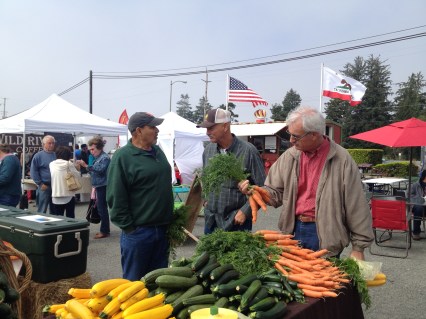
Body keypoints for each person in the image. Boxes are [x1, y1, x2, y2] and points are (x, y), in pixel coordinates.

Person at [239, 106, 373, 260]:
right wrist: (256, 191)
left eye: (296, 136)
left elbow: (355, 204)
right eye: (290, 134)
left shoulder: (342, 159)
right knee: (291, 280)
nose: (290, 141)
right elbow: (275, 193)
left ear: (315, 135)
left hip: (325, 233)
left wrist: (359, 247)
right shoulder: (289, 156)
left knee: (323, 281)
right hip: (293, 229)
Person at [107, 112, 173, 280]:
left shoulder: (157, 151)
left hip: (162, 229)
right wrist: (130, 228)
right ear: (138, 131)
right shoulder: (123, 157)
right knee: (134, 284)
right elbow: (115, 197)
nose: (157, 130)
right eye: (152, 127)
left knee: (159, 283)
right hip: (139, 232)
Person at [196, 108, 266, 234]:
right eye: (206, 129)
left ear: (225, 126)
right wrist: (206, 200)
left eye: (211, 128)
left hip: (236, 222)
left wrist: (245, 211)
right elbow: (205, 179)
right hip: (211, 221)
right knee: (210, 254)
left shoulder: (248, 151)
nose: (207, 132)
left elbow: (262, 188)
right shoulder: (208, 150)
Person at [78, 137, 111, 239]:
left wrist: (86, 165)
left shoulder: (104, 157)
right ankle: (104, 230)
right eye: (90, 150)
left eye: (93, 149)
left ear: (100, 148)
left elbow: (100, 170)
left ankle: (104, 231)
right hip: (98, 185)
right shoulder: (99, 157)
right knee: (100, 208)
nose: (91, 152)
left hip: (102, 186)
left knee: (102, 209)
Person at [49, 146, 82, 218]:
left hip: (56, 194)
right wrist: (77, 167)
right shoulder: (69, 164)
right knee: (70, 218)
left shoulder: (51, 164)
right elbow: (78, 176)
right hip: (68, 194)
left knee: (58, 218)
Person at [30, 135, 56, 213]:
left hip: (55, 186)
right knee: (42, 208)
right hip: (44, 186)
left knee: (54, 209)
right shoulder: (38, 156)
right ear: (43, 144)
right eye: (49, 143)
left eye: (53, 143)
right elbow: (33, 171)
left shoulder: (56, 155)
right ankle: (39, 224)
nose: (51, 145)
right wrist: (40, 183)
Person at [409, 170, 426, 240]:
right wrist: (419, 199)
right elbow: (409, 195)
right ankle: (416, 233)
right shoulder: (416, 185)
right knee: (419, 208)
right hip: (417, 205)